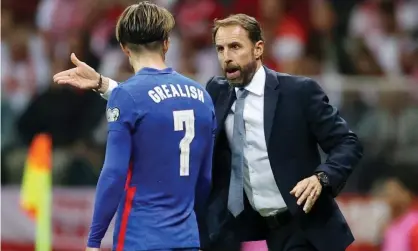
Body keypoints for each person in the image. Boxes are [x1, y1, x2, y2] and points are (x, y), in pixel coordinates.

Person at [54, 13, 363, 251]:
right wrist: (104, 85)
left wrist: (322, 177)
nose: (226, 56)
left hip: (303, 223)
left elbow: (347, 143)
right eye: (220, 48)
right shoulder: (215, 92)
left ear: (258, 49)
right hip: (246, 226)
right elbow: (162, 104)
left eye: (235, 47)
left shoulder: (299, 92)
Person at [58, 2, 216, 251]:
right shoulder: (202, 96)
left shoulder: (127, 97)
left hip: (140, 238)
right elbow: (206, 178)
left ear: (123, 47)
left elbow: (113, 174)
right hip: (187, 238)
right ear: (166, 43)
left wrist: (93, 241)